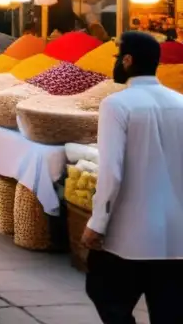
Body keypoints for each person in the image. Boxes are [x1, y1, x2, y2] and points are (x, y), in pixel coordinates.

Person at [83, 31, 183, 324]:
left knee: (104, 292)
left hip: (130, 233)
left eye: (117, 56)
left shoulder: (117, 105)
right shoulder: (180, 103)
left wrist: (97, 224)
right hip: (177, 234)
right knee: (169, 311)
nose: (114, 61)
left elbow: (111, 172)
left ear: (127, 60)